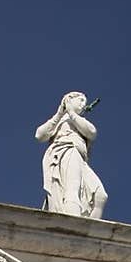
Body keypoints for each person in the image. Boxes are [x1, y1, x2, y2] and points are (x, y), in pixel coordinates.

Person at [35, 91, 108, 219]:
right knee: (72, 190)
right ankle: (74, 224)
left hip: (81, 158)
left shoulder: (78, 120)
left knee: (100, 196)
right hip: (67, 150)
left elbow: (92, 132)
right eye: (80, 100)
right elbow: (39, 135)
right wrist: (60, 113)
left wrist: (72, 113)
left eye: (84, 102)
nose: (83, 104)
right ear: (69, 100)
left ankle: (89, 232)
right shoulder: (59, 121)